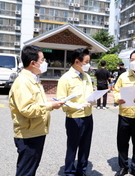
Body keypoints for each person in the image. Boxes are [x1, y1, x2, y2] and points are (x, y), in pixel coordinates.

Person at [9, 45, 64, 176]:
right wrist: (50, 106)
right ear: (33, 63)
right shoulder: (23, 82)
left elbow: (36, 103)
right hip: (28, 134)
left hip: (35, 131)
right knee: (26, 171)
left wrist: (50, 103)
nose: (45, 63)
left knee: (30, 169)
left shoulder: (33, 80)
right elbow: (27, 109)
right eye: (43, 60)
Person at [56, 48, 94, 176]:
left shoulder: (87, 76)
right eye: (87, 61)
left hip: (88, 116)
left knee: (85, 146)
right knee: (72, 147)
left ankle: (81, 170)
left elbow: (90, 92)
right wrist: (76, 106)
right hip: (74, 118)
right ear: (77, 61)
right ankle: (70, 172)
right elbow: (61, 101)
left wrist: (93, 98)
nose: (89, 64)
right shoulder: (65, 78)